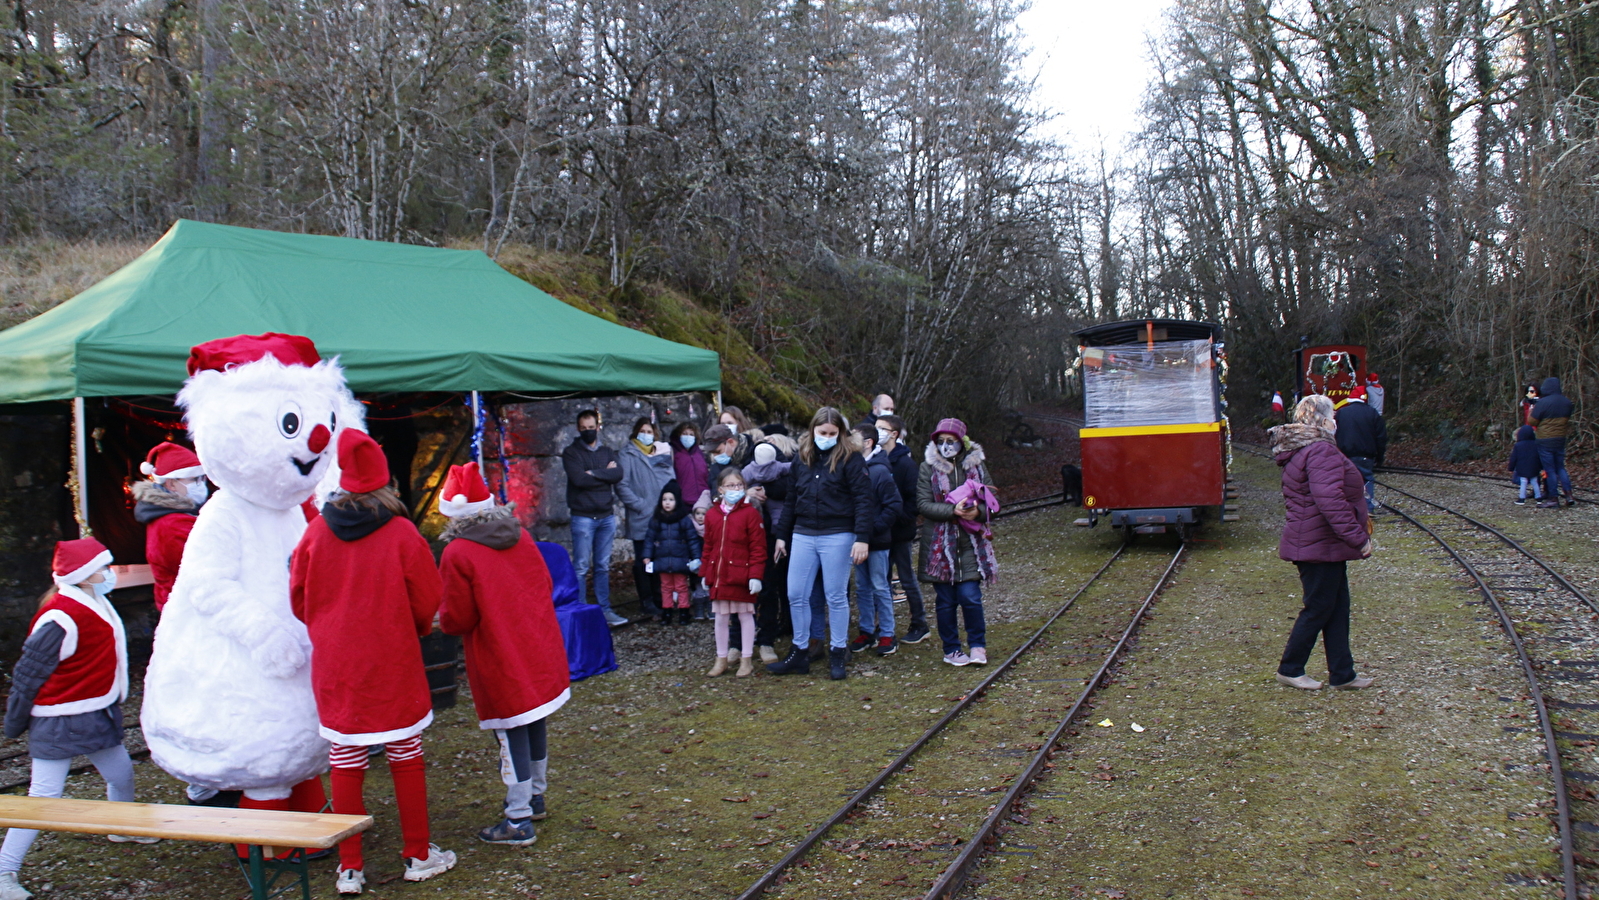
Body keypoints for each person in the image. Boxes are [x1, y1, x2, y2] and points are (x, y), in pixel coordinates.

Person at [289, 430, 455, 894]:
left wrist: (326, 628)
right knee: (406, 754)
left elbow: (298, 596)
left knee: (345, 757)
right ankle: (419, 854)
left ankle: (349, 866)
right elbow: (427, 597)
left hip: (337, 662)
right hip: (392, 659)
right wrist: (415, 628)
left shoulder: (316, 532)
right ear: (386, 482)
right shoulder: (402, 533)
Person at [1, 539, 155, 900]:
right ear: (85, 574)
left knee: (122, 775)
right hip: (60, 718)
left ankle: (121, 825)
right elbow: (29, 672)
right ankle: (4, 868)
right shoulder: (60, 615)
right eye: (104, 567)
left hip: (95, 712)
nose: (109, 574)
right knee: (43, 797)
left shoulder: (93, 601)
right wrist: (15, 721)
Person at [435, 462, 571, 848]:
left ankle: (518, 817)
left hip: (500, 652)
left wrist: (442, 618)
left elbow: (458, 617)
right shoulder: (522, 537)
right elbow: (544, 584)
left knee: (511, 729)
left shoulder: (458, 553)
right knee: (534, 719)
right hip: (536, 644)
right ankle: (536, 795)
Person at [1268, 395, 1374, 692]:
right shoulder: (1321, 451)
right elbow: (1330, 501)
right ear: (1324, 421)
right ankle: (1290, 668)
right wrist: (1358, 538)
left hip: (1321, 544)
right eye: (1333, 416)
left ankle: (1343, 674)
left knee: (1336, 608)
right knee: (1318, 608)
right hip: (1318, 545)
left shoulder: (1306, 450)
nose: (1336, 422)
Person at [768, 407, 871, 680]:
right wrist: (782, 534)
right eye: (822, 432)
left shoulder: (851, 459)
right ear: (812, 431)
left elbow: (863, 500)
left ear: (841, 434)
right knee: (796, 594)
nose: (826, 437)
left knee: (835, 596)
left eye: (832, 433)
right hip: (803, 533)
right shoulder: (801, 459)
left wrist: (862, 538)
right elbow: (791, 499)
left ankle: (838, 651)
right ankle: (799, 651)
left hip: (837, 533)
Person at [918, 418, 997, 667]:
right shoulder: (926, 468)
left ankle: (977, 646)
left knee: (970, 596)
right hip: (939, 548)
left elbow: (992, 501)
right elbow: (922, 504)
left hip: (971, 544)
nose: (945, 446)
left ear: (961, 443)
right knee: (946, 601)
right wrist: (953, 511)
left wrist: (977, 512)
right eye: (940, 441)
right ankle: (951, 648)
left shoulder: (977, 466)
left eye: (950, 441)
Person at [561, 410, 627, 627]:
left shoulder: (607, 450)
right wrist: (603, 473)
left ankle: (605, 610)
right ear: (578, 429)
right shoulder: (571, 453)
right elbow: (578, 479)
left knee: (602, 566)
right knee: (580, 566)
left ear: (598, 427)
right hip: (583, 517)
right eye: (584, 428)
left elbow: (618, 474)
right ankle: (581, 612)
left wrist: (593, 473)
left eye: (592, 427)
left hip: (606, 516)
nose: (589, 431)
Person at [700, 468, 768, 677]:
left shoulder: (750, 513)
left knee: (745, 615)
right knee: (721, 617)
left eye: (739, 485)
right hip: (720, 575)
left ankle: (746, 660)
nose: (736, 489)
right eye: (731, 486)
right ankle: (721, 658)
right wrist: (705, 572)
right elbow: (708, 545)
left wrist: (755, 575)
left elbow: (758, 547)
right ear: (720, 489)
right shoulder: (712, 514)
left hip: (741, 575)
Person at [132, 441, 207, 612]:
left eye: (202, 478)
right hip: (186, 612)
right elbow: (208, 561)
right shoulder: (171, 525)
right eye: (194, 479)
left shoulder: (177, 514)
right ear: (171, 484)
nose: (201, 485)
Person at [848, 424, 902, 656]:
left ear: (867, 442)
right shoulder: (851, 468)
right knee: (862, 587)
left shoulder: (879, 471)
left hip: (877, 541)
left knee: (880, 585)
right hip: (857, 539)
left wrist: (873, 530)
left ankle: (888, 633)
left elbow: (894, 505)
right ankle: (867, 630)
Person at [876, 414, 930, 644]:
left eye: (882, 428)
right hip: (880, 531)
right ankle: (884, 627)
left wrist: (902, 518)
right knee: (881, 580)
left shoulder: (905, 463)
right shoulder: (875, 459)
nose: (877, 431)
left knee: (906, 578)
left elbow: (913, 498)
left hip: (899, 531)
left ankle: (919, 622)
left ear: (894, 434)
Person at [618, 418, 676, 624]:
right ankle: (647, 600)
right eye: (642, 430)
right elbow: (622, 485)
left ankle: (662, 598)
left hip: (663, 514)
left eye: (649, 430)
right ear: (636, 432)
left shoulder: (660, 451)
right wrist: (641, 505)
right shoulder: (627, 454)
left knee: (661, 558)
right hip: (642, 516)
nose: (646, 434)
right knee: (644, 560)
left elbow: (671, 479)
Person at [743, 439, 795, 662]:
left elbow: (790, 481)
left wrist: (765, 490)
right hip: (753, 531)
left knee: (774, 585)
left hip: (774, 533)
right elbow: (734, 482)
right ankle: (742, 640)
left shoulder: (781, 463)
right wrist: (747, 492)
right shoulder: (747, 468)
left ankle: (769, 636)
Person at [644, 481, 702, 626]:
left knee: (681, 586)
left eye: (671, 499)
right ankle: (667, 612)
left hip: (681, 560)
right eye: (664, 500)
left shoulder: (684, 520)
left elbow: (692, 540)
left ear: (677, 501)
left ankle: (684, 611)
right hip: (662, 560)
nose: (667, 503)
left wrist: (696, 558)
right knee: (665, 587)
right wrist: (647, 556)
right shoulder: (656, 519)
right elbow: (649, 539)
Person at [1333, 386, 1386, 513]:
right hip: (1366, 455)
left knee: (1346, 480)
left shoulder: (1341, 413)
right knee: (1367, 480)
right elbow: (1381, 437)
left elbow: (1334, 434)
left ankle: (1349, 508)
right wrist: (1379, 457)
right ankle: (1367, 509)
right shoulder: (1373, 413)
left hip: (1345, 455)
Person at [1529, 376, 1576, 508]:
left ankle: (1553, 498)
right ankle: (1569, 495)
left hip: (1545, 440)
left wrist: (1532, 410)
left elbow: (1532, 421)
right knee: (1560, 467)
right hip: (1560, 438)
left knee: (1549, 470)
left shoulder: (1543, 403)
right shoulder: (1567, 402)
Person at [670, 422, 709, 505]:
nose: (688, 437)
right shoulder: (672, 452)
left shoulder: (699, 453)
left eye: (691, 434)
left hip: (702, 503)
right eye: (684, 433)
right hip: (682, 503)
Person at [689, 494, 713, 621]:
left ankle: (710, 609)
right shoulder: (690, 529)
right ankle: (698, 610)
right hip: (696, 564)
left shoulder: (712, 530)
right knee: (698, 588)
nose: (700, 516)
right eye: (697, 513)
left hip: (709, 564)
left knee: (709, 588)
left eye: (703, 514)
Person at [1509, 425, 1544, 506]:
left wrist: (1511, 467)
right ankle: (1538, 498)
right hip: (1534, 467)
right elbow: (1540, 457)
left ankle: (1522, 499)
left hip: (1522, 468)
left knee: (1524, 482)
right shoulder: (1536, 444)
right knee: (1535, 482)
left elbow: (1514, 458)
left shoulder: (1518, 445)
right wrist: (1541, 467)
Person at [703, 423, 739, 495]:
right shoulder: (715, 467)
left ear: (731, 442)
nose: (716, 456)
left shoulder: (753, 455)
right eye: (713, 453)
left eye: (718, 451)